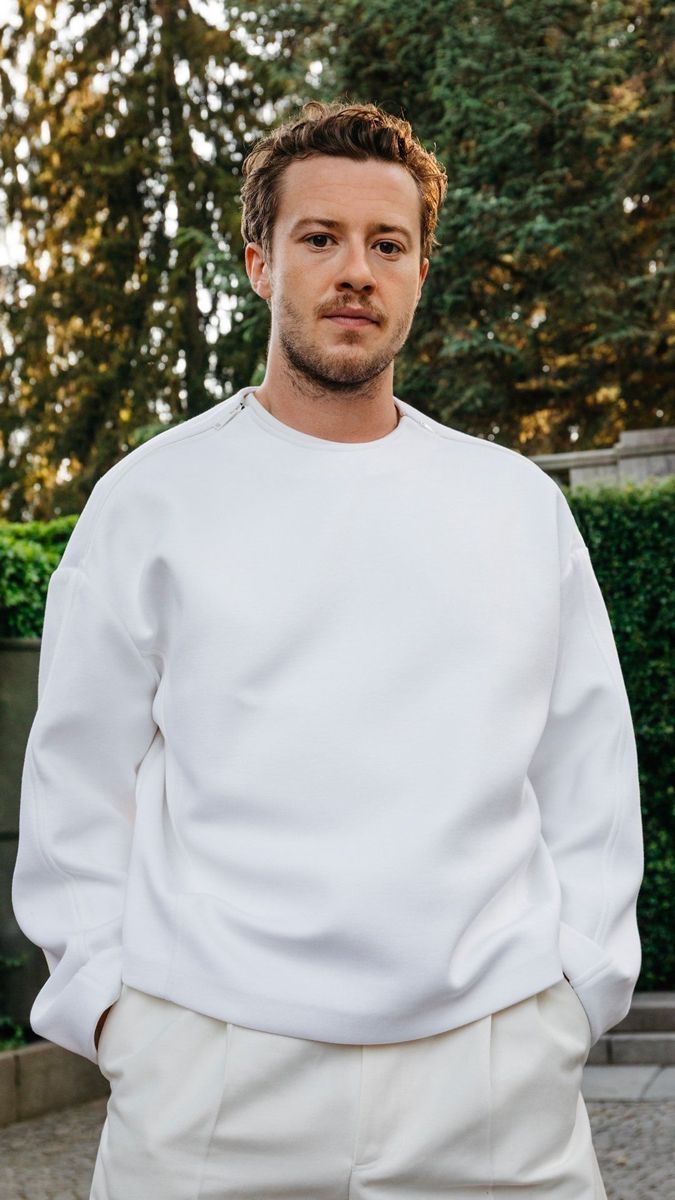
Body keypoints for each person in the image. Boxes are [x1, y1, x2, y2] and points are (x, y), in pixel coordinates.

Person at [12, 100, 643, 1200]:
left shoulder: (513, 506)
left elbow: (585, 769)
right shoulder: (149, 503)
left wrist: (577, 990)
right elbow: (76, 786)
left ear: (419, 273)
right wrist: (121, 1018)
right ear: (261, 262)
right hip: (211, 1081)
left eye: (386, 245)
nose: (355, 270)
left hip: (492, 1079)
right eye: (321, 239)